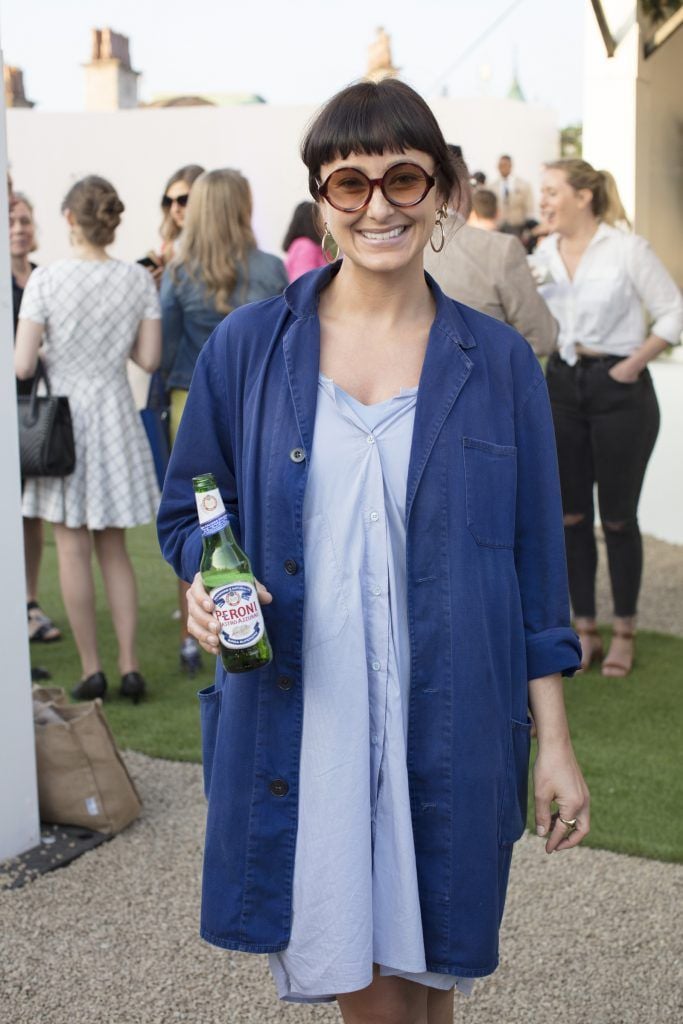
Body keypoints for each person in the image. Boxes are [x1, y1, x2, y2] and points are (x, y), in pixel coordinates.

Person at [158, 79, 589, 1022]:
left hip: (450, 715)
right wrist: (202, 576)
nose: (377, 205)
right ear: (320, 197)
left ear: (441, 194)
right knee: (373, 991)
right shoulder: (247, 349)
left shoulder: (497, 363)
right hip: (309, 718)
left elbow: (535, 571)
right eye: (347, 183)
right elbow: (190, 510)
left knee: (432, 989)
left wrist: (553, 743)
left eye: (402, 178)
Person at [532, 158, 683, 676]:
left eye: (552, 191)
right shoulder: (541, 253)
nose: (543, 200)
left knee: (617, 519)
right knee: (571, 517)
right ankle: (586, 630)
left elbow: (674, 311)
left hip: (619, 389)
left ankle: (625, 630)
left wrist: (632, 364)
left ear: (584, 196)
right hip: (562, 387)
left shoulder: (626, 249)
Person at [15, 175, 161, 703]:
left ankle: (92, 668)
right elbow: (148, 359)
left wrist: (59, 353)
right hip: (115, 414)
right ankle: (130, 665)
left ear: (70, 219)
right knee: (115, 549)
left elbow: (23, 363)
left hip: (64, 422)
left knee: (72, 549)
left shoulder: (47, 281)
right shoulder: (138, 281)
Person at [160, 168, 288, 673]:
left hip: (189, 403)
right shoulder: (270, 268)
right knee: (258, 511)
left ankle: (195, 633)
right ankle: (255, 613)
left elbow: (163, 350)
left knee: (199, 522)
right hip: (262, 408)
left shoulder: (178, 273)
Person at [424, 166, 557, 357]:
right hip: (481, 380)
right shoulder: (499, 250)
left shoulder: (387, 249)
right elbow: (542, 338)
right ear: (462, 187)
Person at [10, 192, 63, 648]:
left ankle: (28, 601)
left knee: (29, 515)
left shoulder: (43, 278)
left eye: (25, 219)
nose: (20, 227)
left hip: (32, 411)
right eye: (12, 219)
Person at [141, 164, 205, 285]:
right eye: (169, 201)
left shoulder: (221, 245)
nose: (174, 209)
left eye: (183, 200)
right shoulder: (169, 246)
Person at [282, 200, 326, 281]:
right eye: (321, 218)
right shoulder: (306, 247)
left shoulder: (300, 244)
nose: (324, 222)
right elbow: (304, 282)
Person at [491, 154, 534, 233]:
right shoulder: (492, 187)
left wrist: (528, 228)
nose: (502, 168)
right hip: (499, 227)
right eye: (500, 165)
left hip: (518, 227)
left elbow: (529, 208)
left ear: (510, 166)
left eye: (505, 165)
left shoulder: (523, 185)